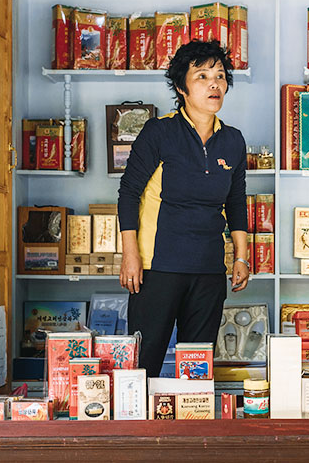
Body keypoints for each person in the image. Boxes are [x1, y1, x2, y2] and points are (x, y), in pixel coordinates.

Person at [118, 40, 250, 377]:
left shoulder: (233, 140)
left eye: (220, 76)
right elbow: (129, 193)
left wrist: (241, 257)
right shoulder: (160, 132)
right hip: (158, 268)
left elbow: (236, 201)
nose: (214, 84)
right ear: (181, 87)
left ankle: (193, 413)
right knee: (144, 363)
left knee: (197, 369)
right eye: (202, 76)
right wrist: (130, 255)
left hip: (208, 269)